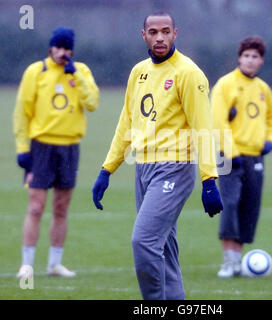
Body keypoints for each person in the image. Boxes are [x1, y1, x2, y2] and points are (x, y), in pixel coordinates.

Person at [92, 12, 223, 300]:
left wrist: (209, 179)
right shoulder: (138, 72)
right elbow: (127, 123)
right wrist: (107, 169)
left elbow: (203, 127)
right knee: (164, 248)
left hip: (174, 169)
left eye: (166, 31)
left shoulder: (189, 73)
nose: (160, 37)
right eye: (153, 32)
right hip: (143, 168)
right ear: (144, 35)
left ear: (176, 33)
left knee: (144, 241)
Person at [13, 26, 99, 278]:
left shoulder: (80, 71)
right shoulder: (36, 71)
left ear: (72, 50)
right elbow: (22, 112)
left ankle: (54, 264)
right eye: (58, 47)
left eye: (67, 48)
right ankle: (27, 264)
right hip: (41, 147)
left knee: (61, 207)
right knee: (36, 207)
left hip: (70, 147)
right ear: (51, 47)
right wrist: (22, 149)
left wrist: (77, 76)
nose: (62, 52)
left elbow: (92, 103)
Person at [211, 36, 272, 278]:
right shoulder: (225, 84)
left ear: (261, 61)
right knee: (229, 204)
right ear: (239, 58)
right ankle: (228, 262)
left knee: (249, 206)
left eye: (255, 56)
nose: (250, 60)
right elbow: (217, 120)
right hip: (228, 156)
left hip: (255, 157)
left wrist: (271, 140)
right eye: (246, 55)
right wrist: (231, 152)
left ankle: (238, 260)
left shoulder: (263, 89)